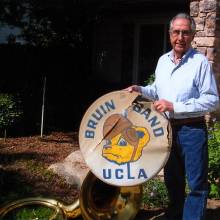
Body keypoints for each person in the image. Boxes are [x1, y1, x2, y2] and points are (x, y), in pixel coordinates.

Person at [125, 13, 219, 220]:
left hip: (192, 130)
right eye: (176, 32)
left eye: (185, 32)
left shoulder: (200, 63)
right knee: (173, 180)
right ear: (169, 34)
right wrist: (140, 89)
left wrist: (174, 106)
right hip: (166, 130)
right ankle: (175, 214)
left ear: (193, 35)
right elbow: (158, 90)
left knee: (196, 184)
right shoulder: (163, 61)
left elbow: (212, 100)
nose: (180, 37)